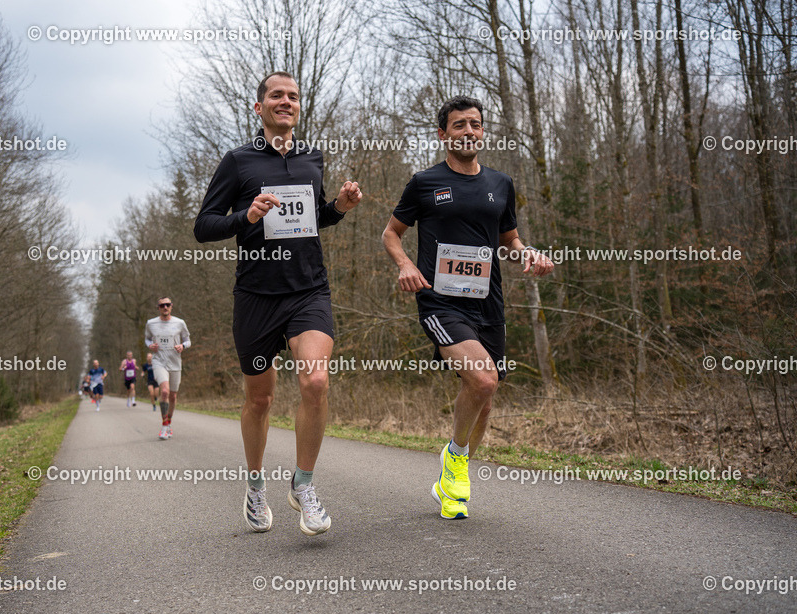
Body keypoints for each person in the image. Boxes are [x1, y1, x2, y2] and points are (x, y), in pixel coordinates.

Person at [194, 71, 362, 535]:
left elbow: (316, 218)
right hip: (256, 296)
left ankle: (303, 485)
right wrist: (244, 216)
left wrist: (341, 208)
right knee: (260, 399)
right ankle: (254, 485)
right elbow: (203, 226)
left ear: (299, 107)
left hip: (308, 290)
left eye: (292, 96)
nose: (284, 102)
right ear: (259, 108)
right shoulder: (238, 161)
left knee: (315, 381)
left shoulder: (313, 158)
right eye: (275, 96)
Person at [381, 95, 554, 520]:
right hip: (440, 301)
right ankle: (456, 461)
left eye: (475, 124)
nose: (468, 132)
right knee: (483, 380)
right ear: (443, 134)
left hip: (488, 303)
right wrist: (405, 264)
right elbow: (390, 233)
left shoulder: (501, 184)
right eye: (459, 125)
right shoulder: (424, 182)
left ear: (483, 131)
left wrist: (527, 254)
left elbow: (509, 240)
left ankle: (451, 477)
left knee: (487, 396)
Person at [145, 297, 190, 439]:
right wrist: (149, 345)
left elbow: (188, 340)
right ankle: (164, 425)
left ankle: (168, 421)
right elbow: (147, 339)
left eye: (167, 305)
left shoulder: (179, 323)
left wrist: (182, 346)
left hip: (175, 363)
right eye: (162, 305)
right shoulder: (151, 323)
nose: (165, 307)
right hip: (158, 361)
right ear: (158, 308)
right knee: (164, 391)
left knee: (173, 395)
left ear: (171, 306)